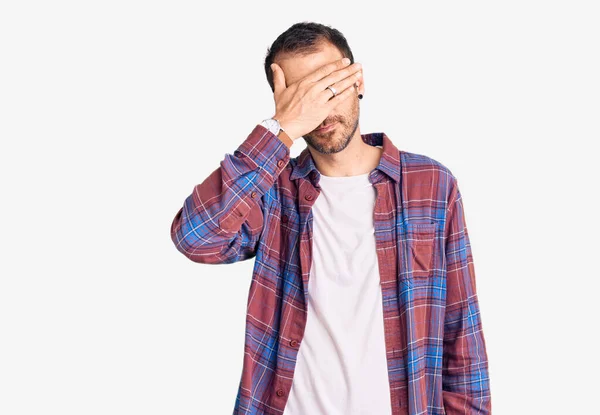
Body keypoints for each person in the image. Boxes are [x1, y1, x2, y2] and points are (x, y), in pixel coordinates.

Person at [170, 21, 491, 415]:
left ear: (357, 82)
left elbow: (462, 333)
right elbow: (195, 237)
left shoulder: (430, 185)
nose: (320, 107)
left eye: (328, 86)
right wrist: (280, 129)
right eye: (301, 96)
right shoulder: (273, 191)